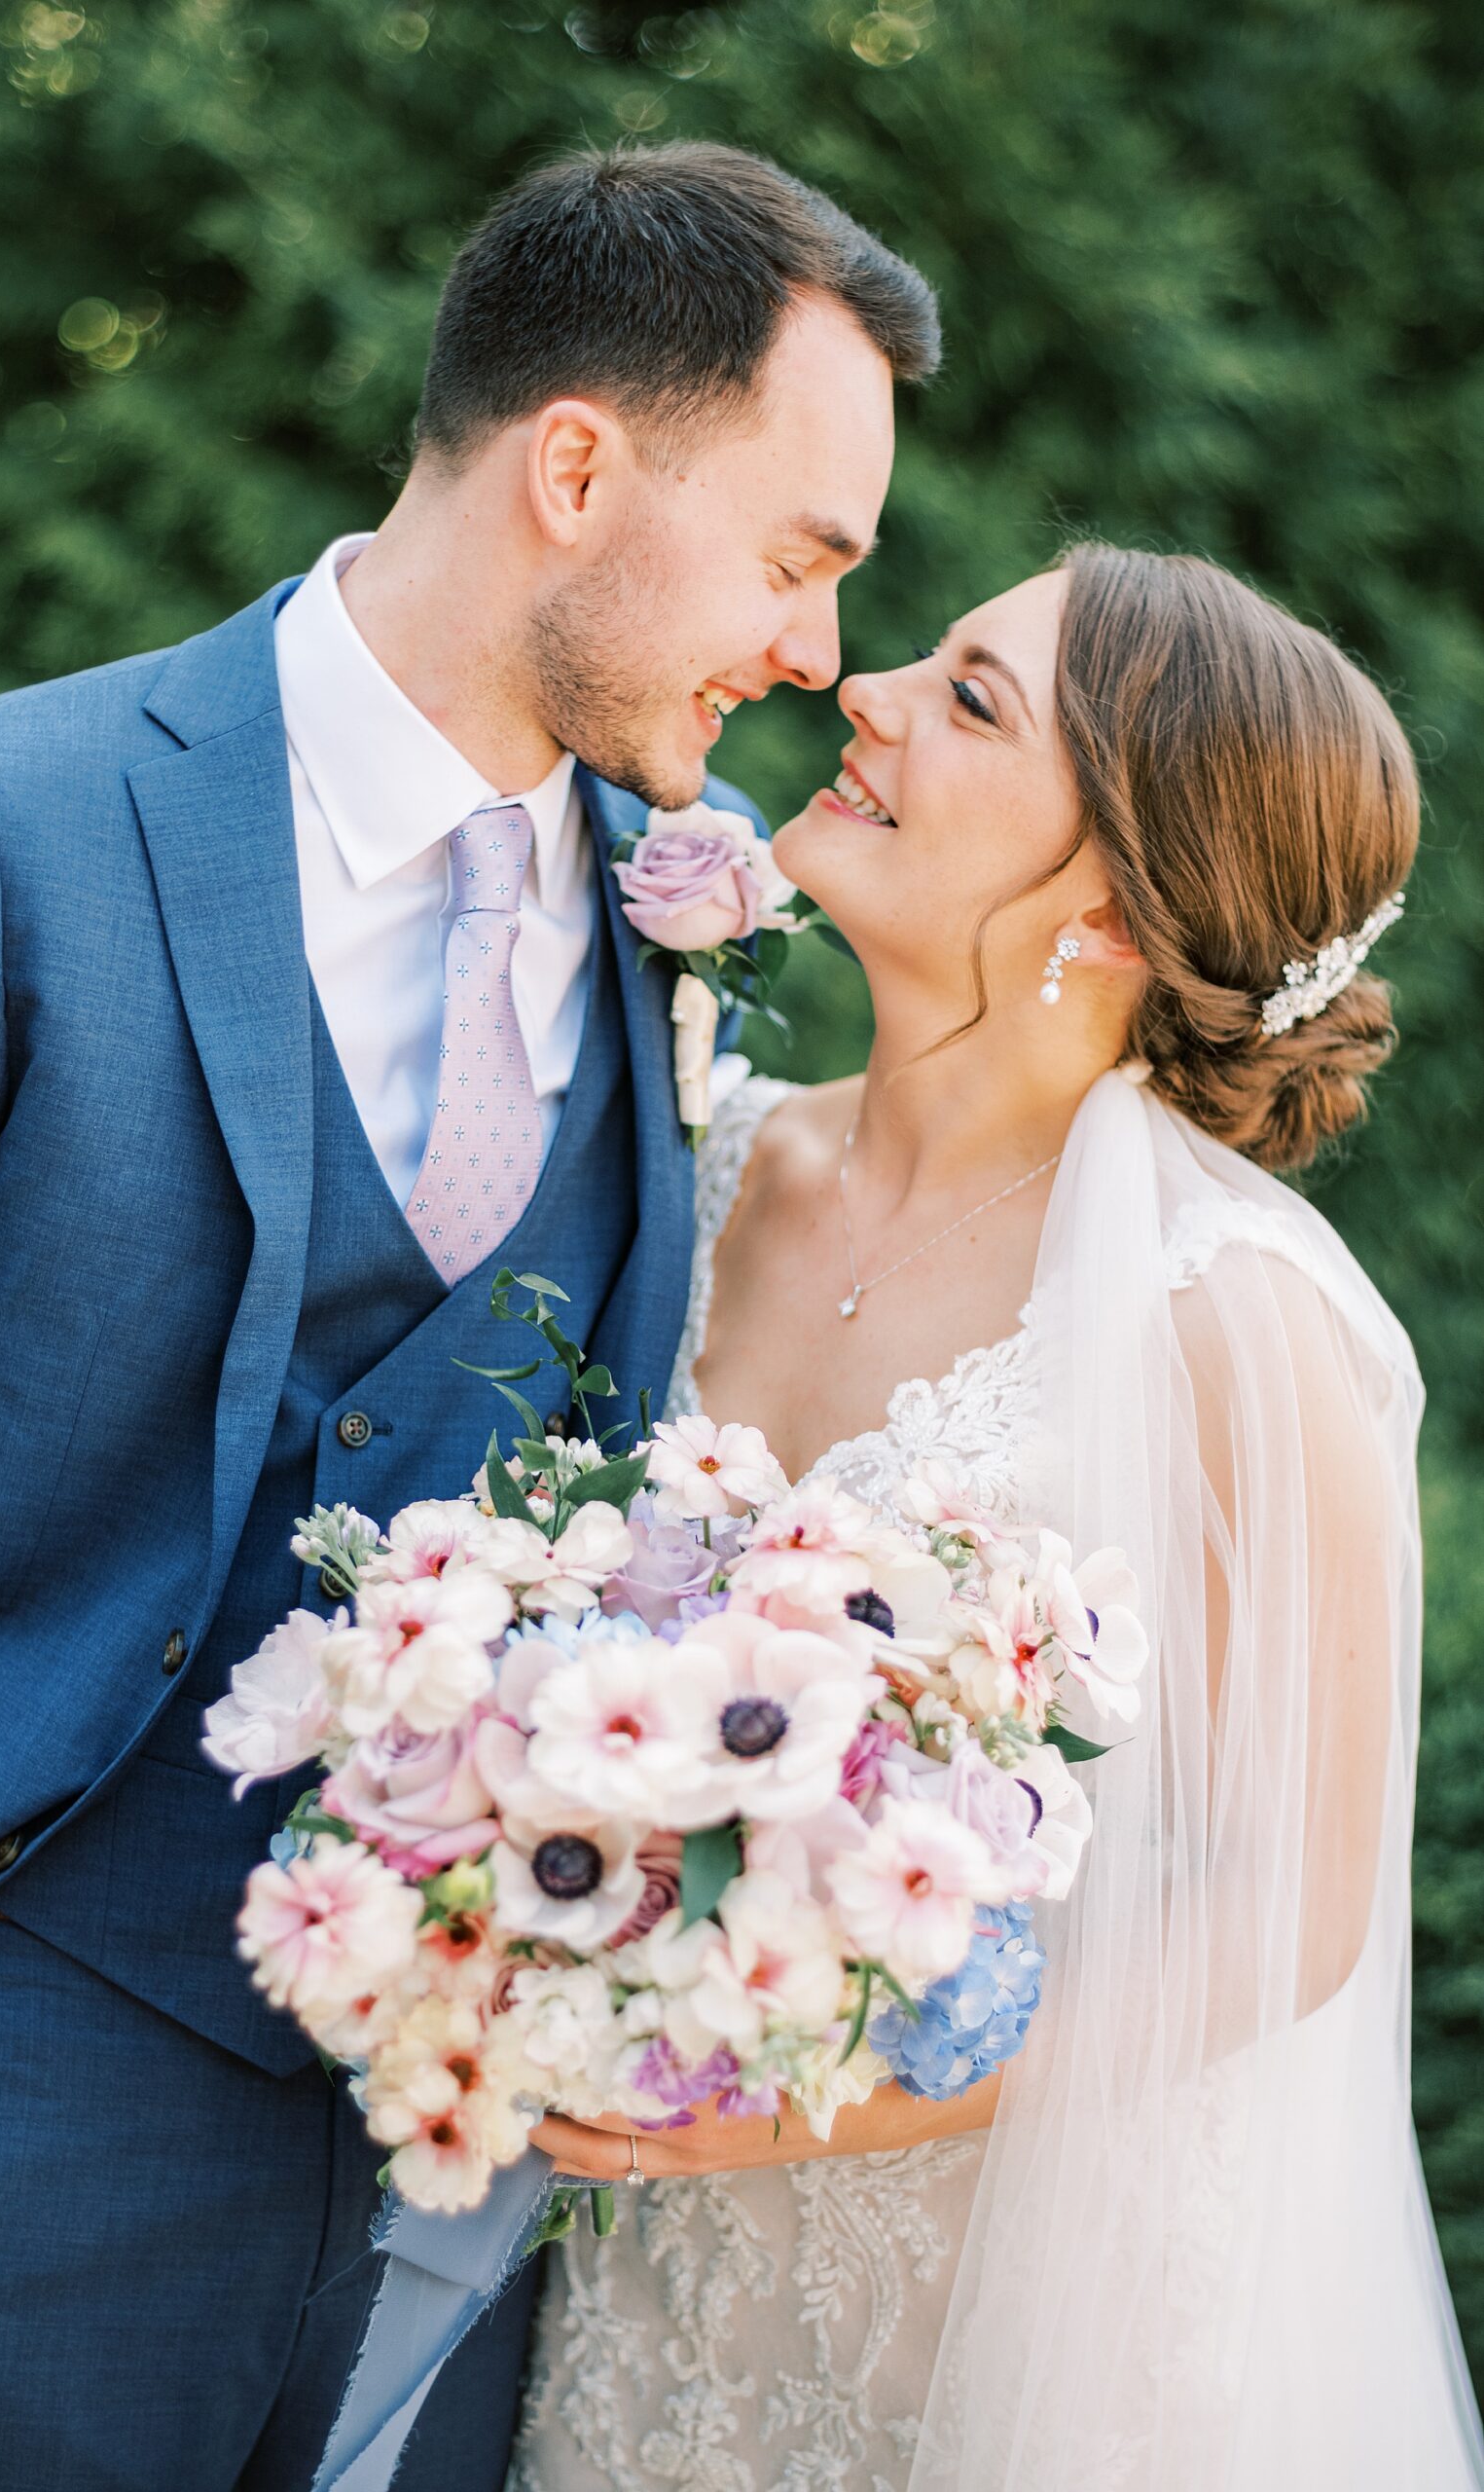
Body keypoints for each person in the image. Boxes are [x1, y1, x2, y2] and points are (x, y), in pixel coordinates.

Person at [0, 144, 936, 2490]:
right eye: (795, 555)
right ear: (572, 466)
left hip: (433, 2249)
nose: (816, 651)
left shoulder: (672, 929)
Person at [512, 546, 1484, 2488]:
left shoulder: (1232, 1317)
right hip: (632, 2274)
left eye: (965, 698)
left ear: (1116, 903)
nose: (860, 690)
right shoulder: (692, 1153)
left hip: (1001, 2315)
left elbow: (1279, 1914)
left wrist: (801, 2107)